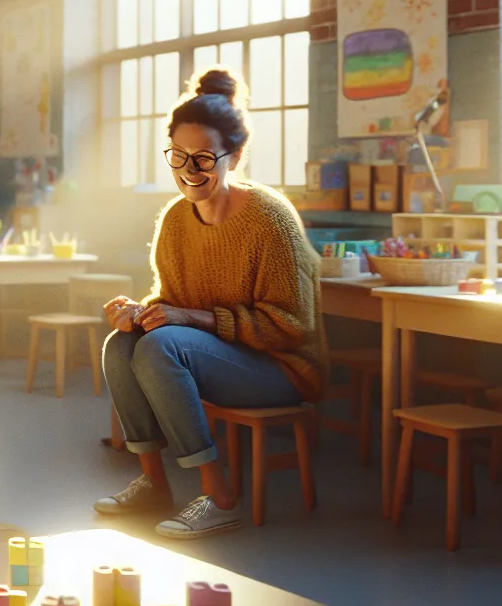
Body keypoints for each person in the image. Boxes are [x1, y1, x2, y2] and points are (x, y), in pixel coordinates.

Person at [93, 68, 327, 539]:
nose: (188, 172)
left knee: (161, 349)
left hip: (280, 367)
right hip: (215, 355)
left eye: (203, 159)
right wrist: (140, 313)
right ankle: (155, 484)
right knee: (121, 345)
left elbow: (293, 326)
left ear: (234, 156)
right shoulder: (176, 220)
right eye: (178, 157)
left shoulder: (269, 218)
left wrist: (189, 318)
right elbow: (173, 303)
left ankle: (219, 497)